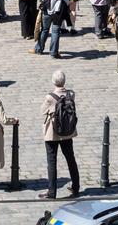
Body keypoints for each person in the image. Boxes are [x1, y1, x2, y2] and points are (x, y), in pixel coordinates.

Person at [41, 71, 80, 200]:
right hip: (67, 132)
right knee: (70, 159)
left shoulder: (50, 97)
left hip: (53, 133)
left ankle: (52, 192)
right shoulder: (71, 94)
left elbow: (42, 111)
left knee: (51, 161)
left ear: (53, 82)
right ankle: (76, 186)